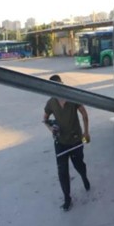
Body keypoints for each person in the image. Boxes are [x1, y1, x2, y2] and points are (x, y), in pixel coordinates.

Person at [43, 74, 91, 211]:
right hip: (60, 143)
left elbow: (84, 114)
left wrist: (86, 133)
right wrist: (51, 128)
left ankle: (84, 177)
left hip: (76, 140)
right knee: (62, 171)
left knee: (79, 164)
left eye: (60, 85)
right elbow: (45, 119)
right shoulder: (51, 103)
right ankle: (67, 198)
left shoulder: (72, 96)